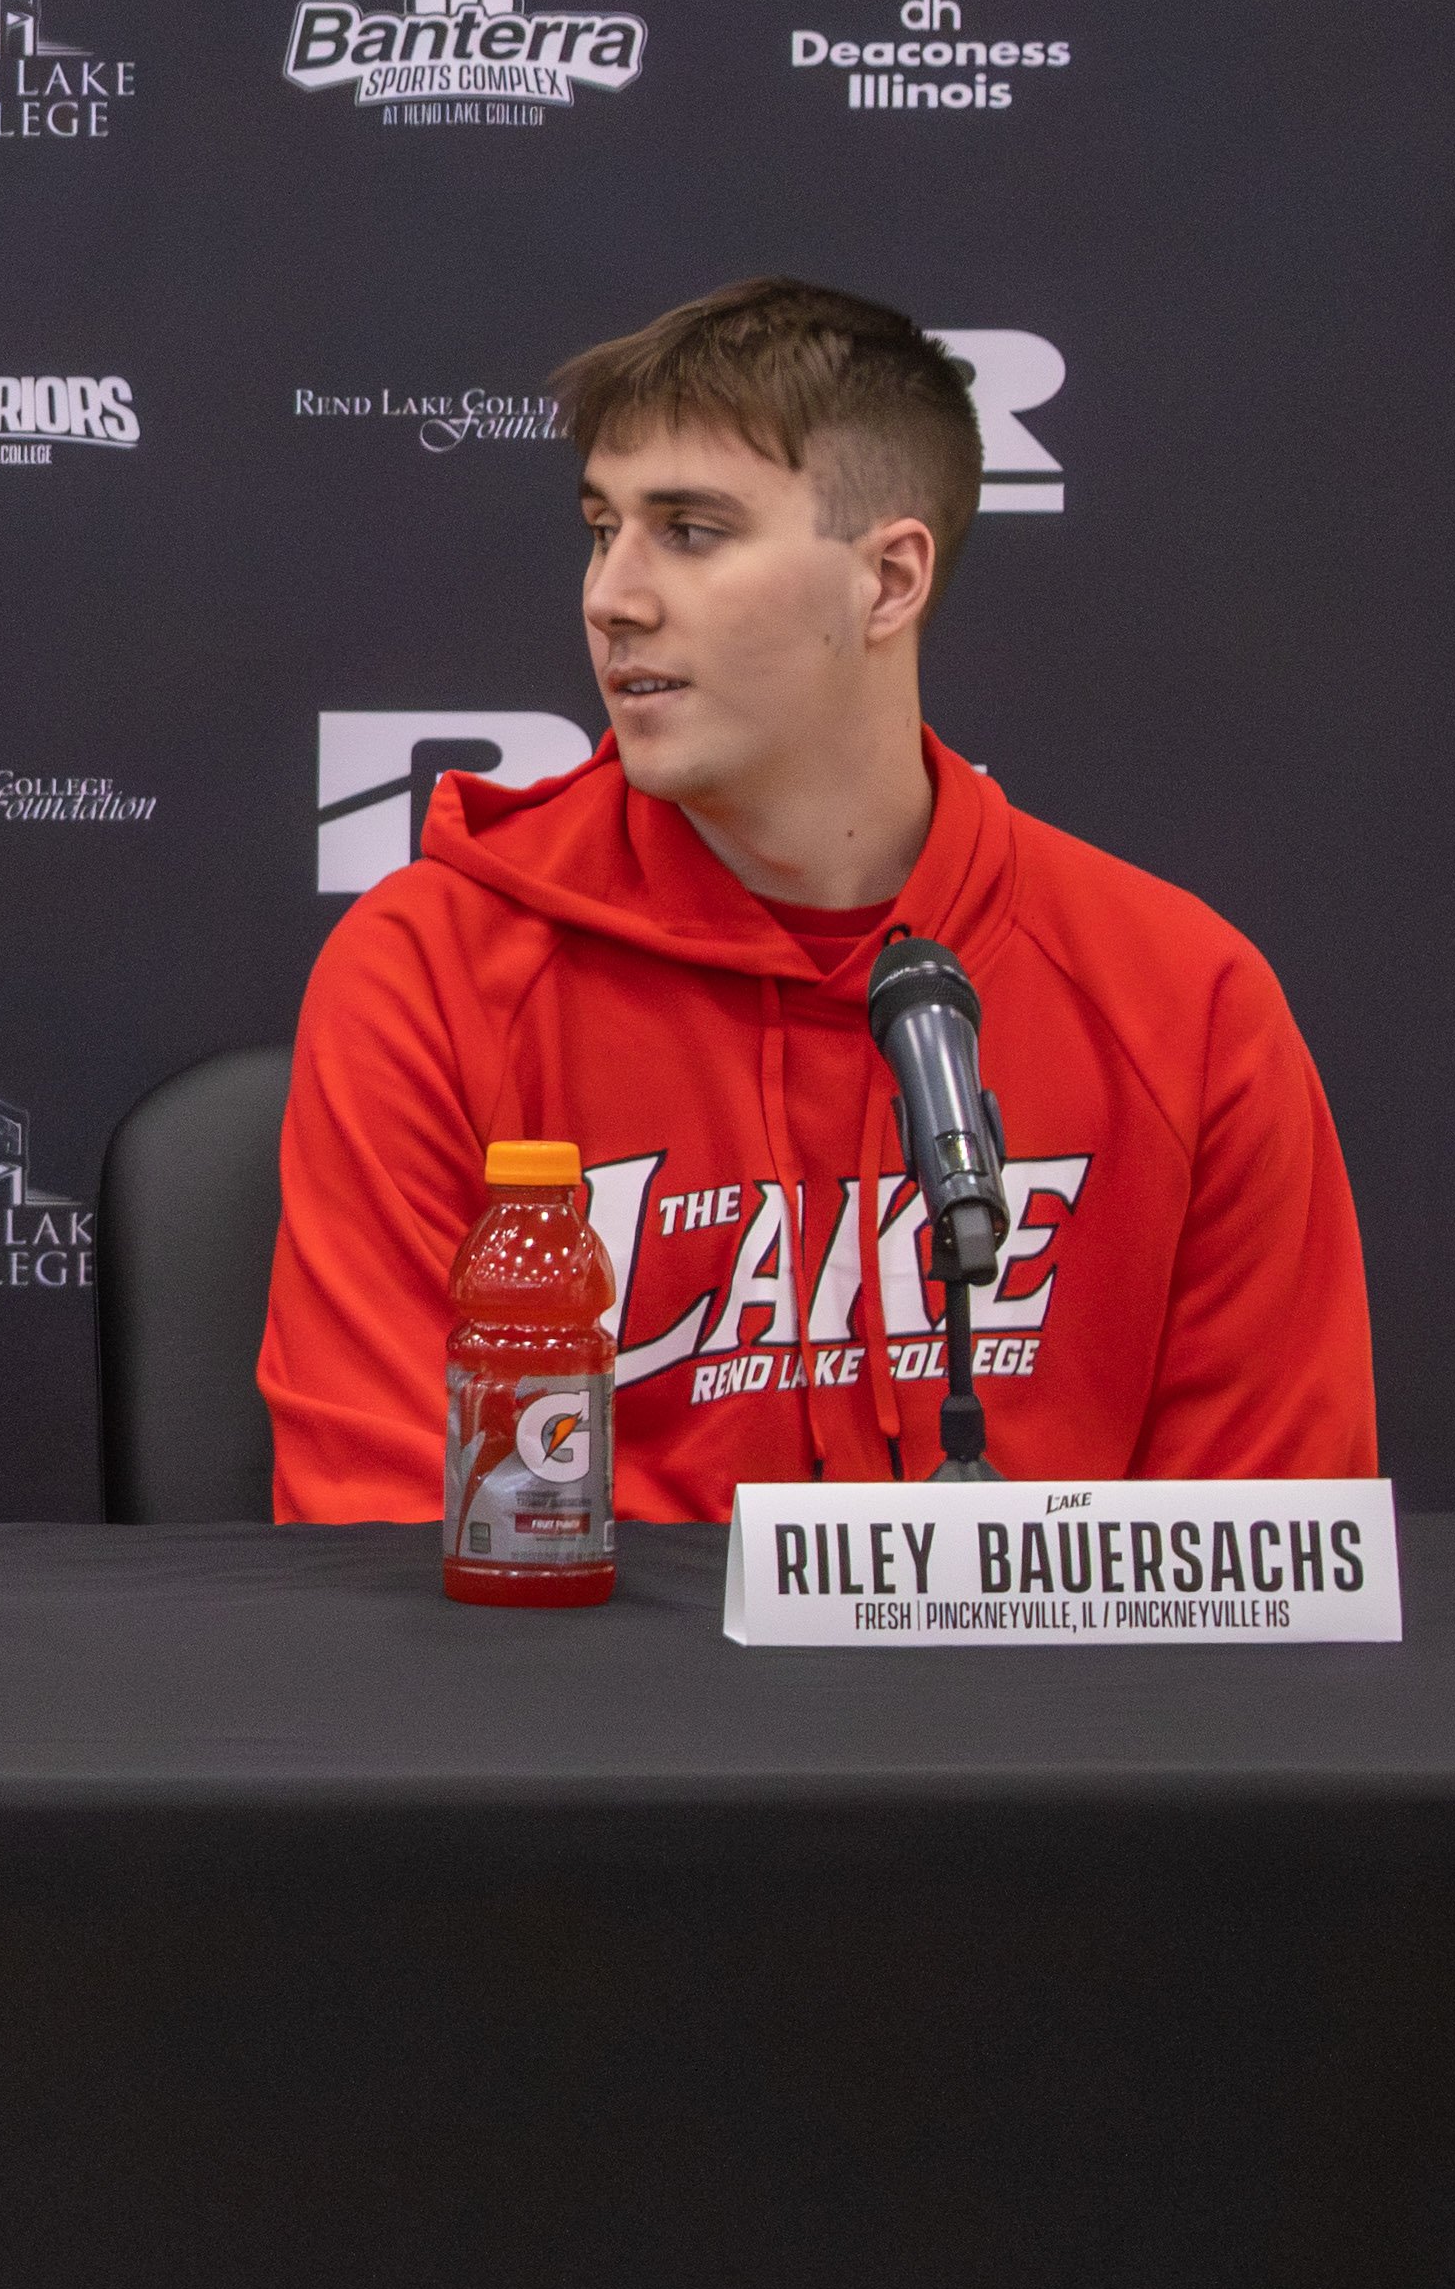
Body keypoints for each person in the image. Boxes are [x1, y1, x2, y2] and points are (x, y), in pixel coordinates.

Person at [264, 278, 1376, 1514]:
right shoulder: (430, 973)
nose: (611, 597)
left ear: (888, 580)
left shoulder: (1183, 998)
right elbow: (378, 1535)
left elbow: (1264, 1561)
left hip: (1053, 1712)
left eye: (688, 530)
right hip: (587, 1710)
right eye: (600, 527)